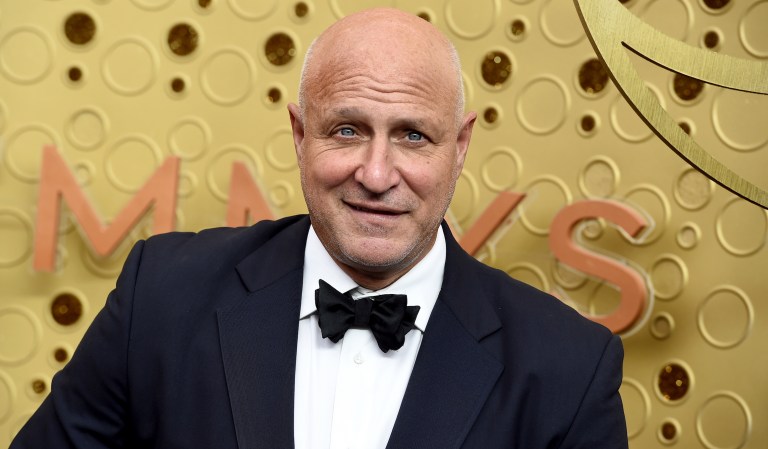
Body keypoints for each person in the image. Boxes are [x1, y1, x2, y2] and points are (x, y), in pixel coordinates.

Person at [11, 8, 628, 449]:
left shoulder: (570, 368)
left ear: (460, 146)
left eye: (413, 135)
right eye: (348, 130)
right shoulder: (162, 297)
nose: (377, 173)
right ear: (301, 135)